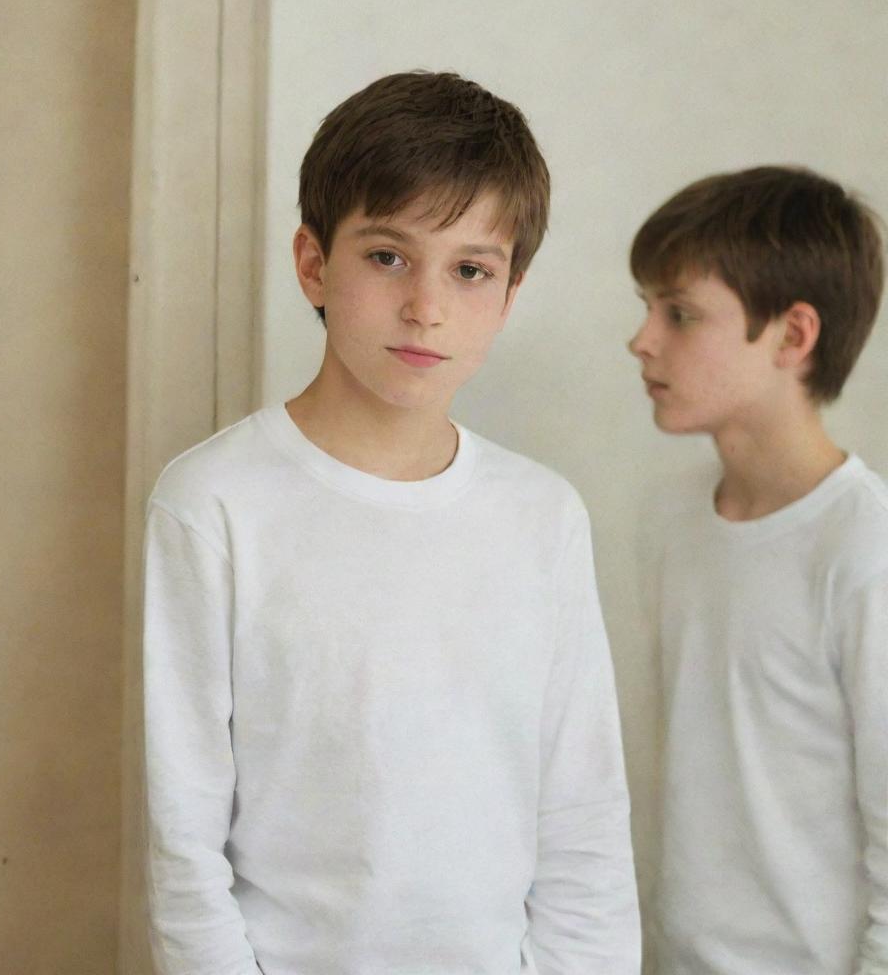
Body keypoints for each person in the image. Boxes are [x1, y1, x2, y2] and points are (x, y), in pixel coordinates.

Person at [143, 70, 640, 975]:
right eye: (387, 256)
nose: (427, 306)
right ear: (312, 263)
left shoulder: (542, 517)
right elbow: (184, 841)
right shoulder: (213, 502)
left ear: (509, 294)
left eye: (470, 270)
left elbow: (584, 821)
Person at [628, 165, 887, 974]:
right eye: (647, 309)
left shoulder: (864, 546)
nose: (642, 340)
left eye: (680, 314)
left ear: (792, 335)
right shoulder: (670, 517)